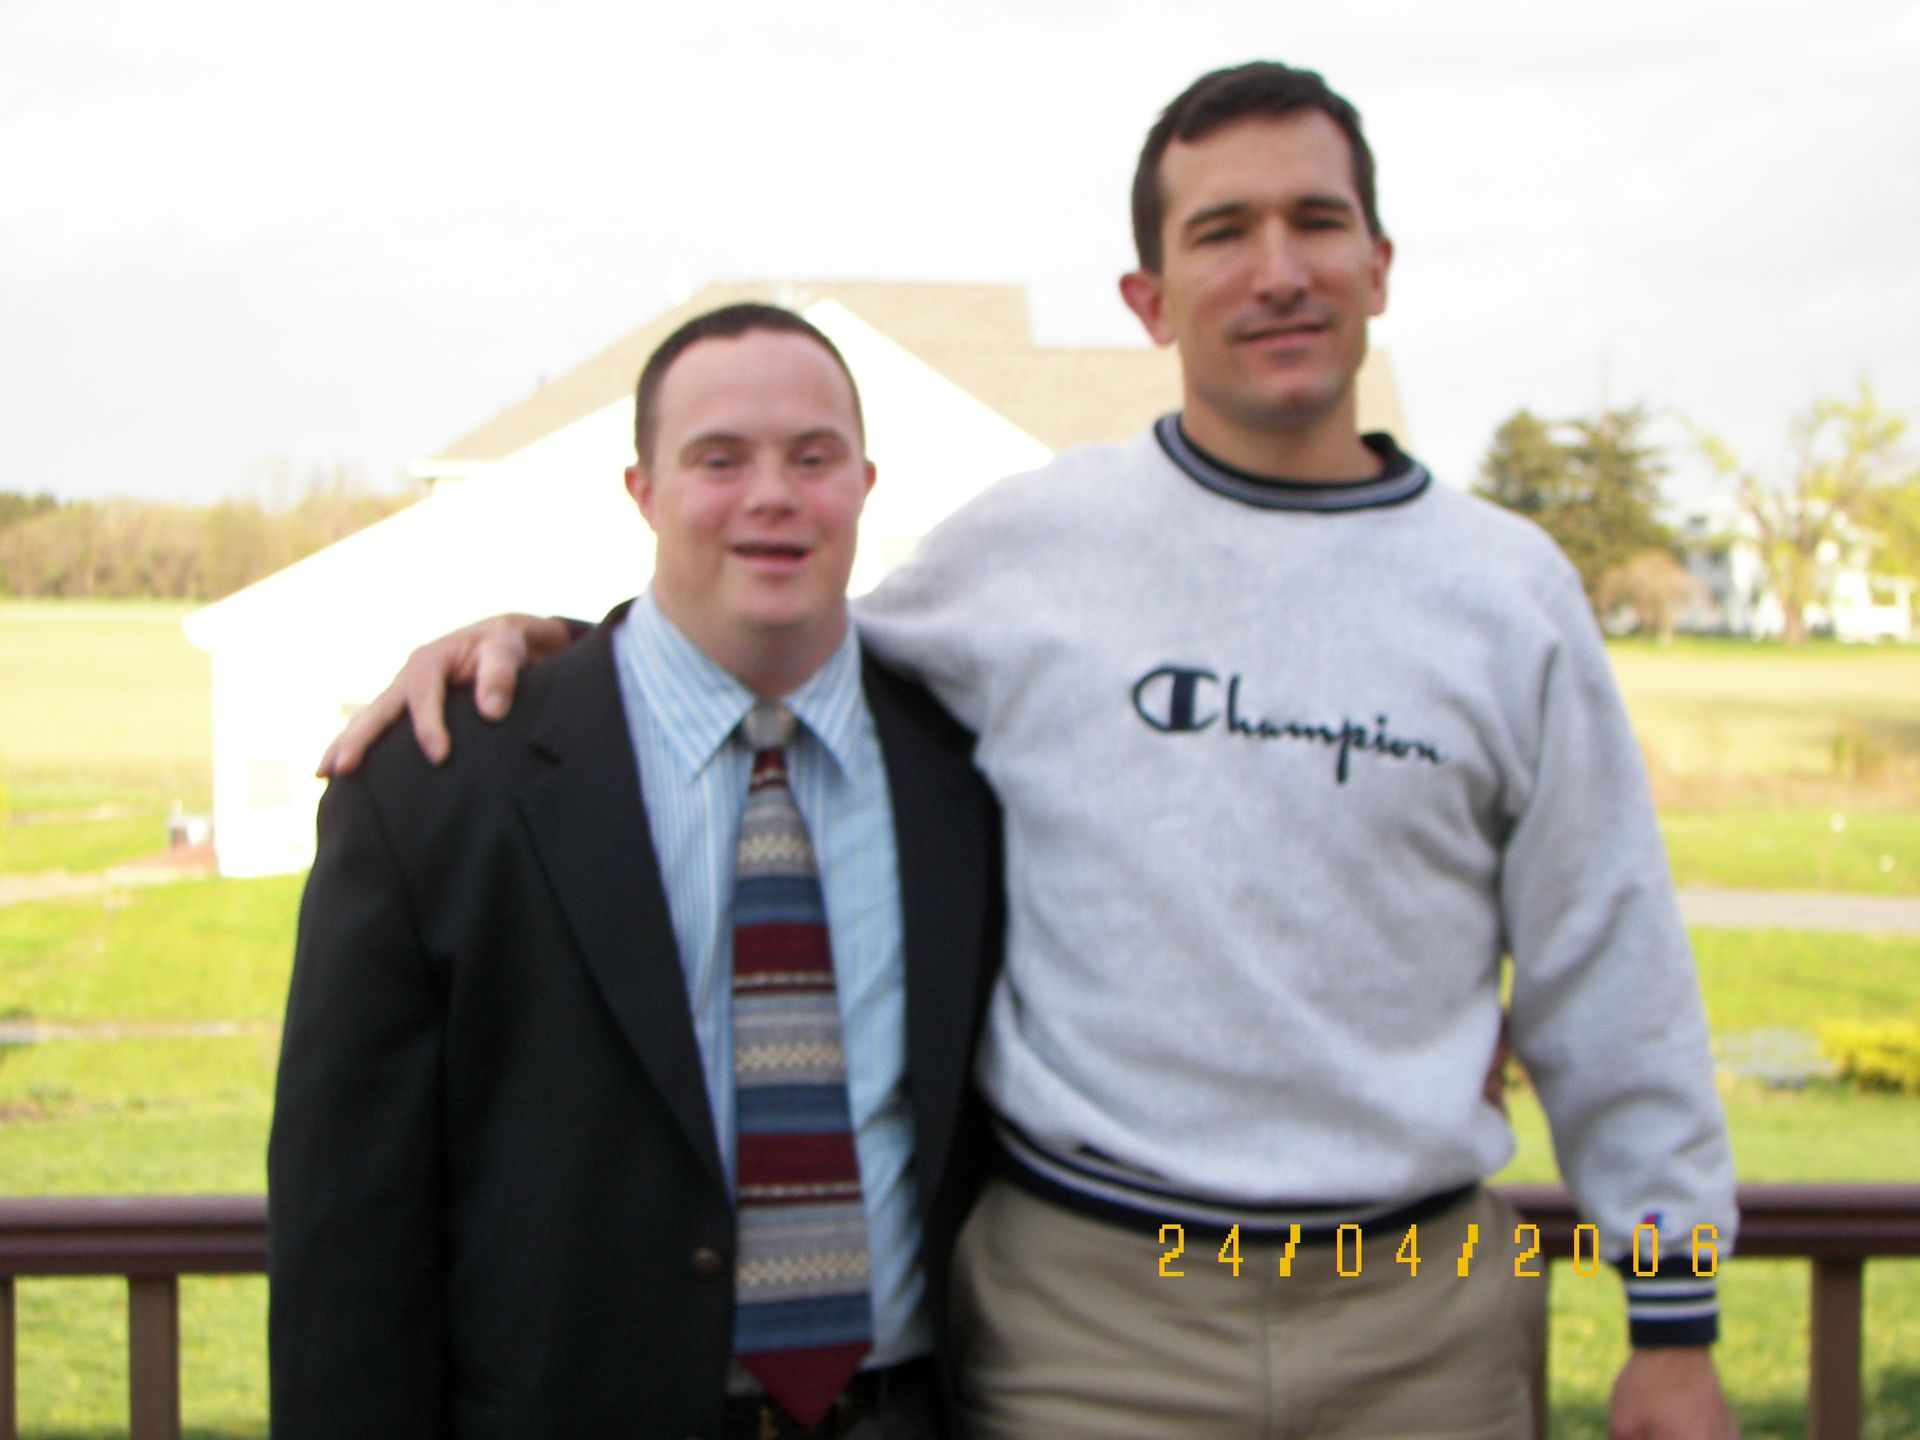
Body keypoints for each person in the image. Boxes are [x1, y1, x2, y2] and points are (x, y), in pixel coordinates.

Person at [322, 63, 1740, 1440]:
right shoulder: (1032, 550)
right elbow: (779, 629)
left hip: (1417, 1311)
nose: (1279, 270)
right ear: (1149, 299)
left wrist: (1674, 1331)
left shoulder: (1511, 595)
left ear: (1378, 262)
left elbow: (1613, 977)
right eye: (1221, 233)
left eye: (1316, 222)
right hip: (1100, 1319)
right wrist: (556, 641)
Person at [270, 303, 1004, 1439]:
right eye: (720, 460)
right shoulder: (439, 788)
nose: (773, 493)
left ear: (864, 483)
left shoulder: (969, 771)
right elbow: (347, 1229)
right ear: (642, 491)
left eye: (813, 458)